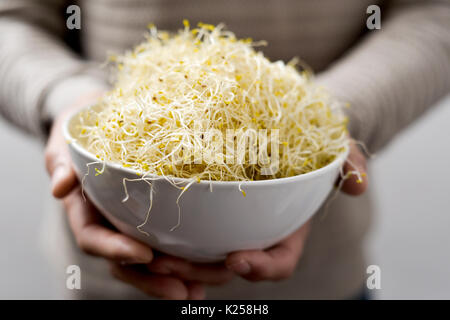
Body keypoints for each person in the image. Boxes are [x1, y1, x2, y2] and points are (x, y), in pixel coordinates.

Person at [0, 0, 448, 299]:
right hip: (106, 273)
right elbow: (12, 17)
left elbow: (435, 13)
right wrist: (68, 95)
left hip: (322, 278)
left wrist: (327, 110)